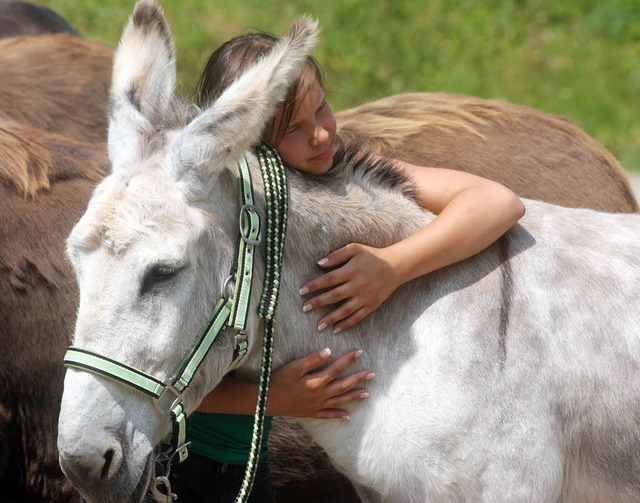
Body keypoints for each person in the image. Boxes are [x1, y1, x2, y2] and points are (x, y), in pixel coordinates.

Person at [169, 31, 526, 503]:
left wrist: (394, 266)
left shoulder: (342, 171)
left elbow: (499, 202)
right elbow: (165, 382)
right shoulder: (219, 221)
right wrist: (274, 398)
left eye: (321, 109)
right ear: (246, 141)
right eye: (292, 130)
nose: (320, 134)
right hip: (183, 463)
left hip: (246, 465)